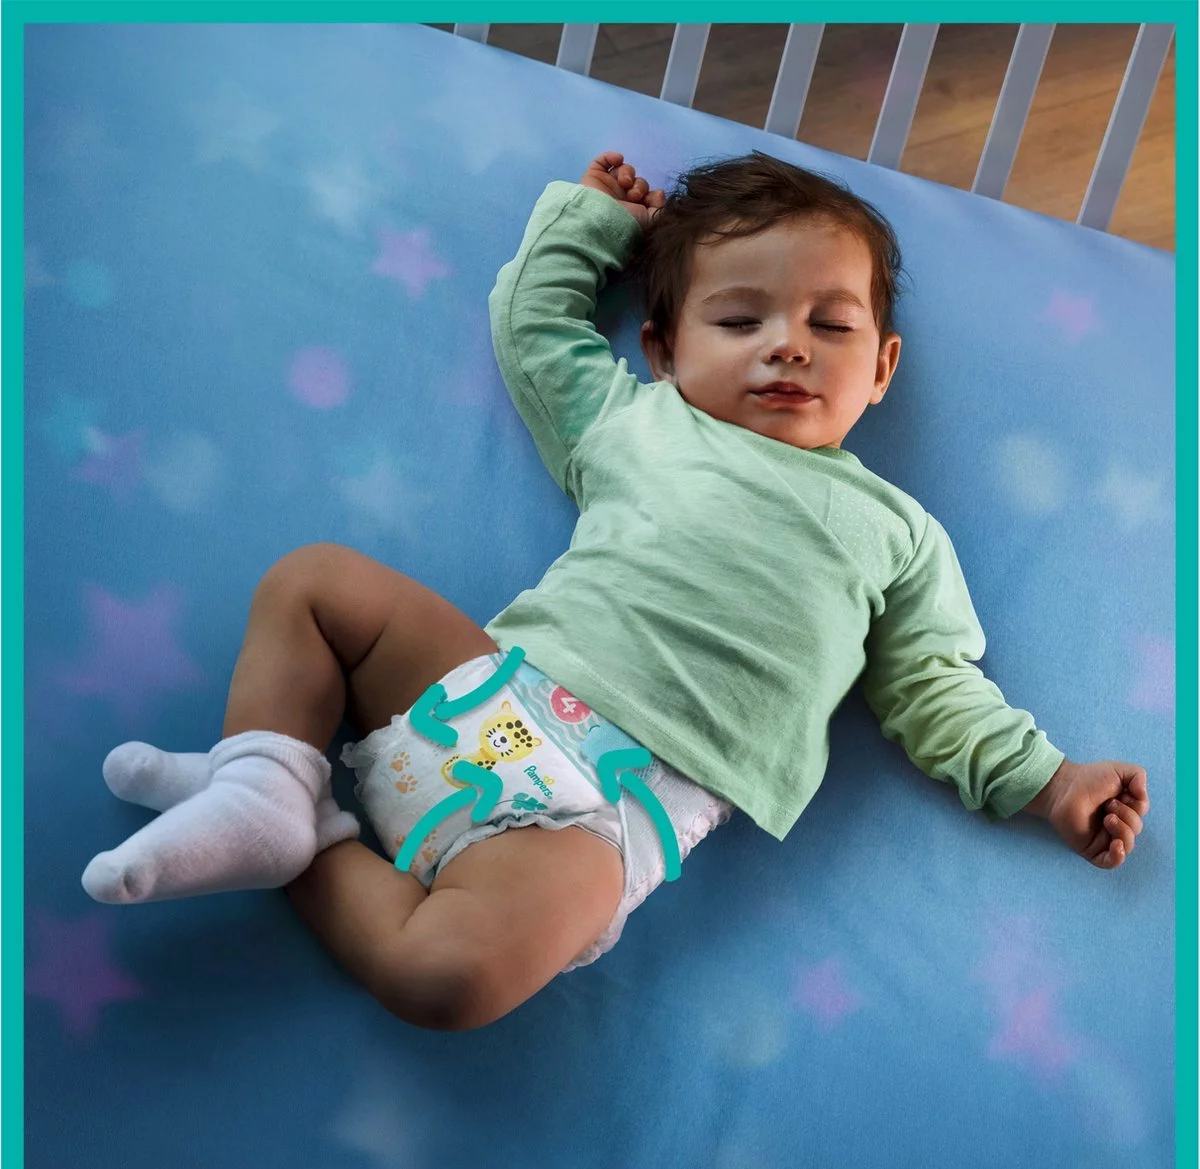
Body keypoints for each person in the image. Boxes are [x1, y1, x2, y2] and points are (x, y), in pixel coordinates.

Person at [81, 149, 1150, 1033]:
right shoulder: (640, 422)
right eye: (740, 322)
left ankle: (301, 838)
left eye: (831, 326)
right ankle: (264, 775)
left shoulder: (900, 534)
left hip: (608, 814)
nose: (788, 345)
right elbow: (535, 331)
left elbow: (934, 687)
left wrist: (1051, 782)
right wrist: (593, 225)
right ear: (662, 349)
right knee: (314, 583)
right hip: (490, 691)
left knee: (447, 980)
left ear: (882, 368)